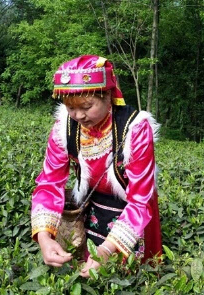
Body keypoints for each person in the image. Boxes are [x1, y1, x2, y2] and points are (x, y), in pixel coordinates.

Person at [31, 55, 162, 277]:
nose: (79, 116)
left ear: (109, 95)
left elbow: (140, 200)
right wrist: (44, 236)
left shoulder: (135, 129)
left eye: (87, 106)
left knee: (129, 277)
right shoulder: (65, 128)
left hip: (133, 213)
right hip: (92, 206)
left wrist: (107, 250)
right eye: (70, 108)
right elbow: (50, 182)